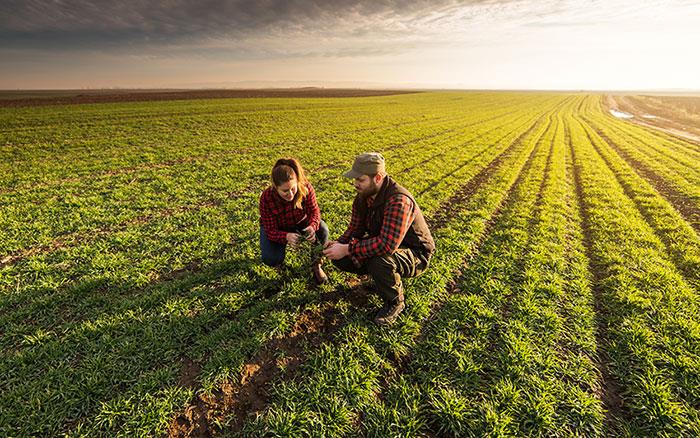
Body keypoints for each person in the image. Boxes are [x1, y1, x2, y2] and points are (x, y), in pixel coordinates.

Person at [323, 152, 435, 325]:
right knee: (342, 258)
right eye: (355, 180)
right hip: (386, 245)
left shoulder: (398, 200)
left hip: (415, 254)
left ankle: (395, 302)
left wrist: (348, 248)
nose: (356, 184)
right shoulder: (362, 198)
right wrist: (339, 244)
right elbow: (355, 229)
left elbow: (386, 245)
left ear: (378, 178)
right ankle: (380, 279)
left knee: (380, 259)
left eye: (361, 180)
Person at [259, 157, 328, 284]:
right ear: (275, 187)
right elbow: (270, 230)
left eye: (293, 188)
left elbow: (314, 212)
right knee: (271, 258)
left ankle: (316, 265)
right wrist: (286, 236)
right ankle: (278, 264)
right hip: (278, 227)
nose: (290, 194)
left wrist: (312, 226)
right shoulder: (266, 198)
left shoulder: (306, 188)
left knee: (322, 229)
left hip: (299, 221)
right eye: (285, 191)